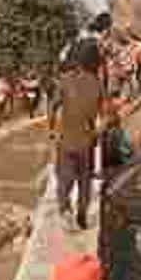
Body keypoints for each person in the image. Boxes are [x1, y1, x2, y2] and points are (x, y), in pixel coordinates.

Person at [49, 38, 104, 232]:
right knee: (84, 181)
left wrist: (51, 129)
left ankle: (65, 211)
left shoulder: (64, 81)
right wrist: (96, 133)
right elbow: (102, 117)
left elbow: (53, 107)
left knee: (64, 178)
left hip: (66, 141)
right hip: (87, 142)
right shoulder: (97, 84)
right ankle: (82, 215)